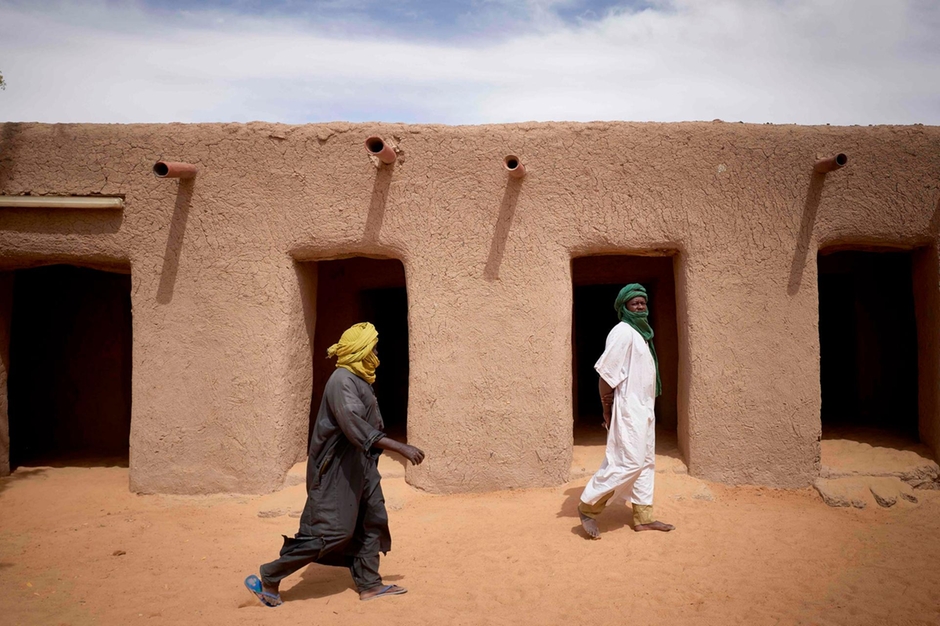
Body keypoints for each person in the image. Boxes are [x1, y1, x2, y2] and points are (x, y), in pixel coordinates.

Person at [245, 322, 425, 606]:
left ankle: (369, 584)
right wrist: (400, 447)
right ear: (361, 350)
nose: (377, 351)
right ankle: (270, 576)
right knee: (333, 531)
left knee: (371, 519)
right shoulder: (342, 380)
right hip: (335, 469)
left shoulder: (360, 378)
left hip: (361, 465)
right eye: (373, 347)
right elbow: (354, 425)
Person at [578, 284, 675, 539]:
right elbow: (606, 373)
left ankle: (643, 518)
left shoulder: (642, 335)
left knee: (645, 463)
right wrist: (606, 410)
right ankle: (588, 506)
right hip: (628, 408)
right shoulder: (622, 332)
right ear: (624, 308)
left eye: (643, 302)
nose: (640, 306)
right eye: (635, 303)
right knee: (628, 462)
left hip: (644, 408)